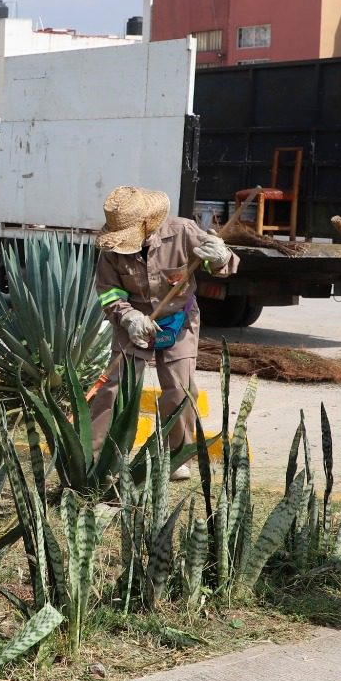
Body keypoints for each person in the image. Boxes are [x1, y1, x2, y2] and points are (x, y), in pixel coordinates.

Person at [91, 186, 237, 475]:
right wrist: (130, 318)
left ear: (147, 223)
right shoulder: (112, 250)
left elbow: (218, 264)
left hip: (177, 320)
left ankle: (176, 457)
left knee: (180, 389)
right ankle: (97, 457)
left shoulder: (183, 231)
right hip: (132, 322)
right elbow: (108, 293)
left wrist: (220, 258)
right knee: (115, 387)